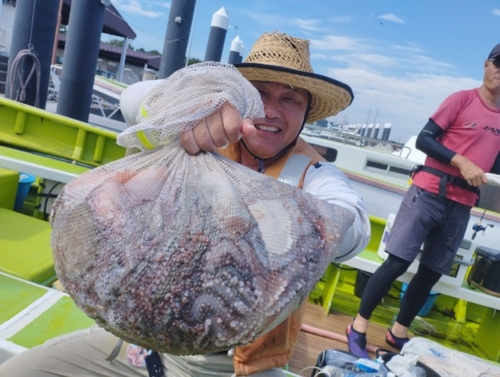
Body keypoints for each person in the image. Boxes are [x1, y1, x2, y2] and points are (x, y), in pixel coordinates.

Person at [0, 31, 369, 377]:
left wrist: (311, 224)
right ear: (238, 96)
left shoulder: (315, 176)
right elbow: (133, 101)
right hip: (145, 347)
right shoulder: (195, 130)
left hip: (236, 365)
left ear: (306, 113)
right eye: (258, 93)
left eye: (289, 99)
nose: (270, 110)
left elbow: (353, 228)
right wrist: (191, 102)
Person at [346, 43, 500, 358]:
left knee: (432, 270)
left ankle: (397, 331)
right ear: (486, 65)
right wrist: (461, 161)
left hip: (463, 202)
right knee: (398, 262)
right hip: (428, 191)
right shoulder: (461, 99)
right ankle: (357, 327)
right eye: (499, 64)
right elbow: (425, 138)